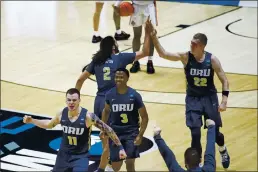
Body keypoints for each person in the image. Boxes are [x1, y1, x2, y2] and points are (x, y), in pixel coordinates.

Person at [146, 20, 230, 168]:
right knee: (195, 133)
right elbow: (163, 54)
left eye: (195, 44)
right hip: (193, 99)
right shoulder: (186, 57)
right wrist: (154, 37)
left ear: (202, 46)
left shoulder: (212, 60)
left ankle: (222, 149)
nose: (191, 45)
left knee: (216, 134)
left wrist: (224, 100)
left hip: (209, 97)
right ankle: (197, 166)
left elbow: (224, 80)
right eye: (191, 42)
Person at [75, 24, 150, 172]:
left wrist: (76, 104)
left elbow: (80, 80)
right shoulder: (119, 58)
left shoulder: (96, 61)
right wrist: (147, 34)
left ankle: (106, 166)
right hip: (113, 102)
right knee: (117, 138)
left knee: (106, 140)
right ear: (114, 48)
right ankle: (109, 167)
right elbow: (146, 51)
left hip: (99, 102)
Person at [23, 88, 127, 172]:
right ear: (66, 100)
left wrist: (120, 147)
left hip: (80, 156)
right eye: (69, 100)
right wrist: (32, 120)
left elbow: (108, 129)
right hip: (63, 155)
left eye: (74, 100)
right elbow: (49, 124)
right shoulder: (61, 114)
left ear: (79, 101)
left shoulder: (88, 116)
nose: (71, 103)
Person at [101, 68, 149, 172]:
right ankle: (110, 165)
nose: (118, 79)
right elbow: (106, 111)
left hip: (131, 132)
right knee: (116, 166)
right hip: (115, 132)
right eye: (117, 77)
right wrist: (103, 128)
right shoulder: (110, 94)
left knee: (130, 163)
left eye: (121, 77)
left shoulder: (134, 95)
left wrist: (140, 135)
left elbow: (145, 117)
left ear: (127, 78)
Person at [114, 0, 158, 74]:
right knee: (137, 35)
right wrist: (117, 4)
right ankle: (136, 61)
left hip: (149, 7)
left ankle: (150, 62)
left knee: (150, 35)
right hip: (136, 8)